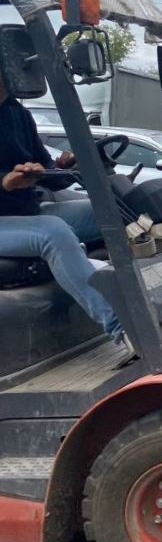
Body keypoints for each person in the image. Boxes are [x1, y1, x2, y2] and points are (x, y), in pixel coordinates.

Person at [0, 76, 124, 342]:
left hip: (28, 211)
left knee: (115, 209)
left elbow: (47, 173)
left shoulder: (18, 113)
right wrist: (5, 182)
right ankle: (123, 327)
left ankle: (158, 297)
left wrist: (62, 167)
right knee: (53, 233)